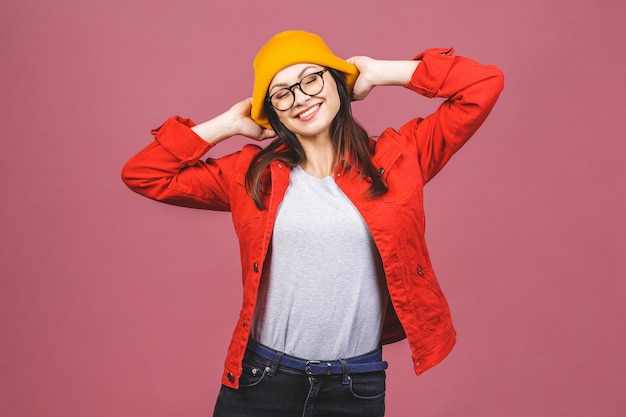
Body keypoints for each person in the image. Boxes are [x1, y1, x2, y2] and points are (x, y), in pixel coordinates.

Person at [122, 30, 504, 417]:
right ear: (272, 111)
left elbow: (483, 85)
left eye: (311, 78)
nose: (301, 97)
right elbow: (144, 174)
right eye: (282, 93)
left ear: (336, 81)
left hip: (354, 385)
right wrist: (229, 123)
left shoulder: (401, 158)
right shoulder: (252, 174)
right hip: (261, 381)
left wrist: (377, 71)